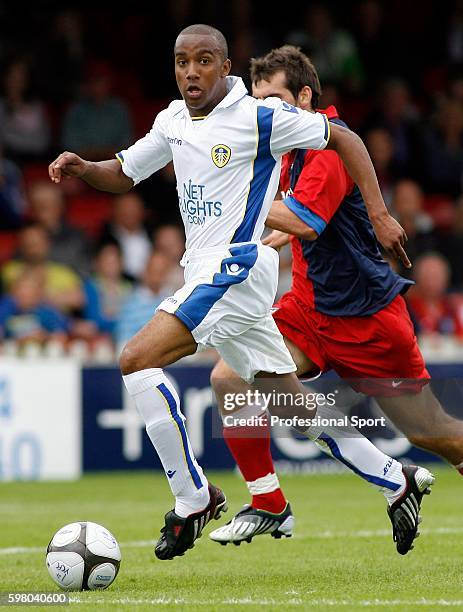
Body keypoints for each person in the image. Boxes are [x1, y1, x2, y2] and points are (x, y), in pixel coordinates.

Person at [48, 24, 409, 561]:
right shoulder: (171, 119)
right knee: (293, 407)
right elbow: (125, 172)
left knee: (136, 360)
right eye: (181, 62)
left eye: (203, 61)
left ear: (224, 67)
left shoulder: (258, 116)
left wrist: (379, 215)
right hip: (208, 272)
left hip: (235, 269)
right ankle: (395, 481)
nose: (190, 72)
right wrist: (84, 168)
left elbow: (346, 139)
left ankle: (193, 498)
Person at [209, 46, 453, 554]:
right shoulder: (288, 149)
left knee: (432, 434)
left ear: (305, 96)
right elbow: (298, 227)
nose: (264, 111)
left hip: (367, 319)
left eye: (273, 99)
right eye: (257, 101)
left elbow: (305, 221)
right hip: (308, 309)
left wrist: (232, 197)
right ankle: (268, 501)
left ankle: (397, 479)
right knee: (230, 376)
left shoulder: (327, 147)